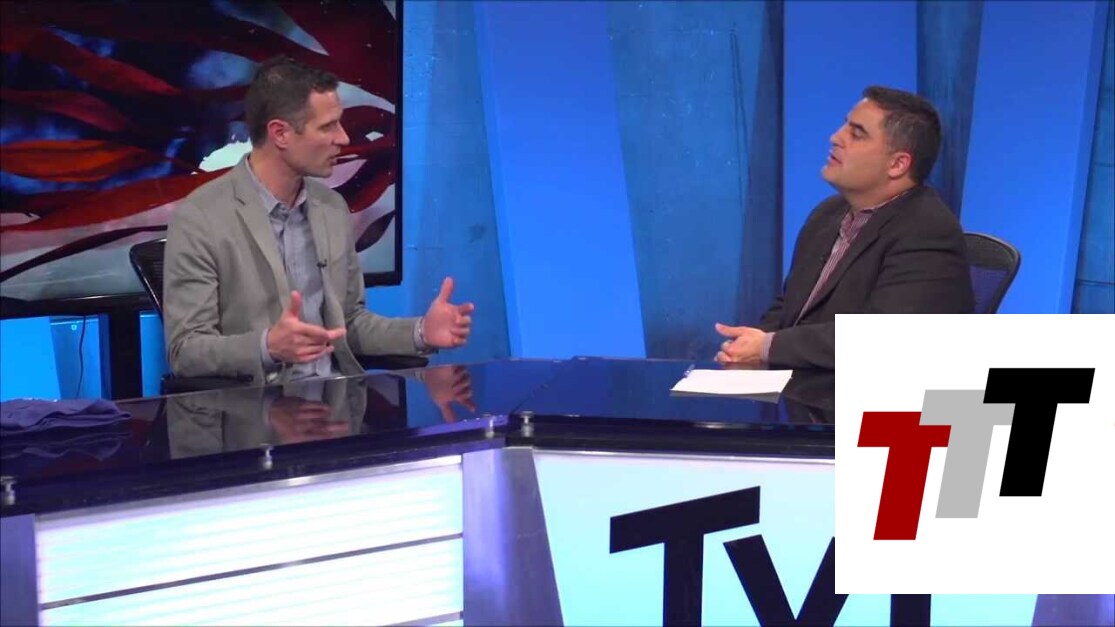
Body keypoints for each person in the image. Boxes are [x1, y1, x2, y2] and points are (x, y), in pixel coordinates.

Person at [164, 56, 473, 384]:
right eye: (328, 126)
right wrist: (268, 346)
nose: (343, 138)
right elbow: (186, 352)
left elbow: (349, 324)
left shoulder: (331, 208)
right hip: (258, 408)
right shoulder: (201, 218)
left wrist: (421, 331)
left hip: (339, 400)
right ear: (280, 133)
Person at [715, 86, 974, 370]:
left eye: (857, 133)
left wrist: (768, 346)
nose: (835, 137)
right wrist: (749, 343)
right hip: (807, 382)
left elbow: (882, 339)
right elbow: (790, 306)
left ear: (898, 164)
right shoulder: (827, 214)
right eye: (845, 126)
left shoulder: (927, 232)